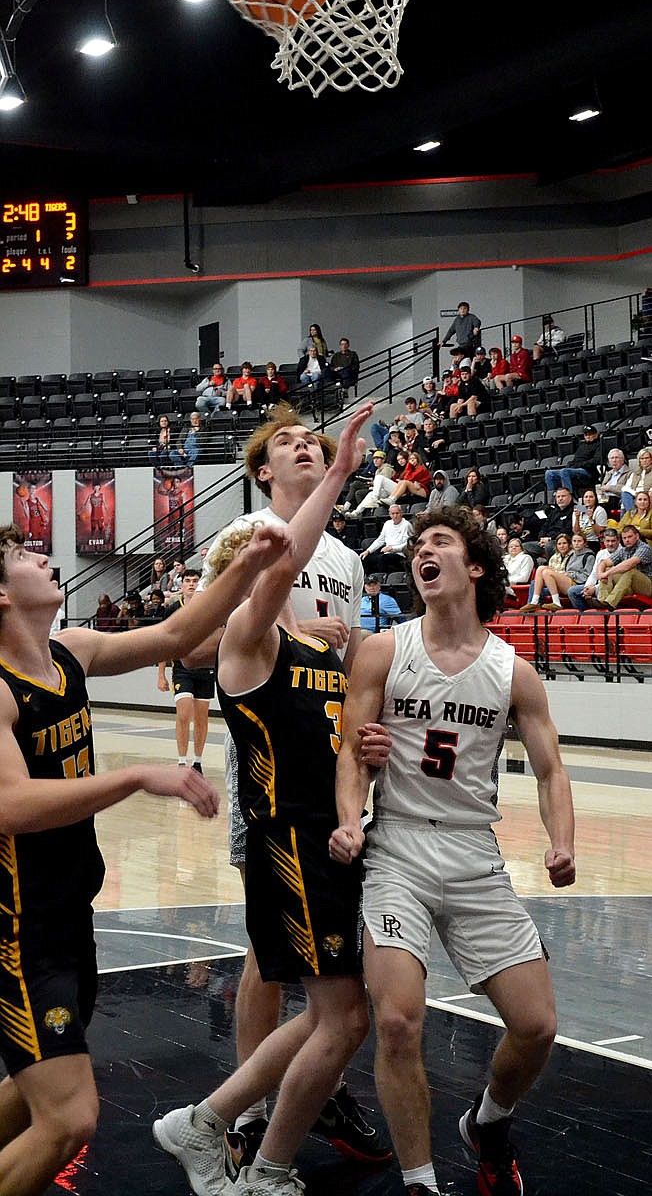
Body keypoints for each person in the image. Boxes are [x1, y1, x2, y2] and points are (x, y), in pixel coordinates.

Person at [0, 516, 287, 1196]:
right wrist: (133, 778)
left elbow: (177, 636)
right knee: (69, 1118)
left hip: (68, 916)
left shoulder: (68, 650)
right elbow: (9, 805)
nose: (44, 559)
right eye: (24, 556)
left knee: (31, 1087)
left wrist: (244, 566)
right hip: (17, 931)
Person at [153, 404, 377, 1196]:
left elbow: (342, 673)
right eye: (285, 441)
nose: (303, 446)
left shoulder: (347, 559)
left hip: (332, 770)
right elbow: (205, 641)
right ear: (260, 472)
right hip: (270, 776)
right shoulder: (245, 539)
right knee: (273, 955)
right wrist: (293, 631)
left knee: (327, 982)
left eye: (311, 440)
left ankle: (275, 1103)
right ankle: (246, 1122)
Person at [331, 505, 575, 1196]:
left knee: (537, 1026)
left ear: (474, 567)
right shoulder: (384, 649)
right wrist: (351, 818)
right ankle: (420, 1182)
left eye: (440, 541)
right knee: (400, 1020)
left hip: (474, 851)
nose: (421, 552)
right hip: (398, 847)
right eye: (416, 546)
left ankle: (489, 1123)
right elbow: (352, 749)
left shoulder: (512, 672)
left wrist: (563, 844)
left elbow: (553, 769)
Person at [158, 570, 216, 772]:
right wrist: (161, 674)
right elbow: (164, 644)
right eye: (188, 581)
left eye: (195, 581)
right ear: (181, 586)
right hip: (182, 669)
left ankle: (197, 762)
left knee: (202, 717)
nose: (191, 584)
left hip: (206, 668)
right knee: (184, 712)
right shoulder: (173, 609)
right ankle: (182, 761)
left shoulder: (209, 609)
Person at [521, 531, 594, 613]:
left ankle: (556, 603)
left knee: (546, 572)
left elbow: (586, 577)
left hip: (577, 583)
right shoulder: (572, 556)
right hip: (566, 581)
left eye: (579, 541)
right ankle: (534, 602)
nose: (576, 543)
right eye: (574, 541)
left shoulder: (589, 556)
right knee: (540, 569)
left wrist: (569, 574)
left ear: (585, 543)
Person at [596, 523, 652, 610]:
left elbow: (629, 564)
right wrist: (601, 574)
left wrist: (606, 573)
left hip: (648, 587)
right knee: (607, 569)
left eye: (630, 537)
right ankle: (602, 601)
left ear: (637, 536)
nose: (627, 540)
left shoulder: (644, 548)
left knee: (630, 571)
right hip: (629, 584)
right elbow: (604, 563)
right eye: (624, 538)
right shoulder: (623, 550)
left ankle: (610, 602)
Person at [567, 527, 621, 612]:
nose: (610, 544)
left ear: (618, 540)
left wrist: (594, 588)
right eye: (608, 541)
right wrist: (587, 587)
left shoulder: (623, 552)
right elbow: (594, 574)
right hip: (598, 585)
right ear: (603, 541)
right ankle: (585, 616)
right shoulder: (601, 553)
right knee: (572, 591)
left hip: (613, 586)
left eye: (613, 541)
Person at [544, 426, 601, 499]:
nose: (588, 436)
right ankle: (554, 497)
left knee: (564, 471)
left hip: (588, 471)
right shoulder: (582, 445)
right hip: (577, 468)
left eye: (590, 434)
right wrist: (571, 463)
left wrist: (578, 465)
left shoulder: (599, 445)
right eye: (586, 434)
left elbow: (595, 461)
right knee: (549, 473)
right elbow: (577, 459)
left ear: (595, 434)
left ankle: (568, 497)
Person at [360, 504, 411, 574]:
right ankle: (369, 581)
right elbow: (380, 540)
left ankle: (382, 579)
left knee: (383, 559)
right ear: (389, 514)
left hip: (400, 554)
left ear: (401, 513)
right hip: (387, 553)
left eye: (397, 513)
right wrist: (368, 551)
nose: (395, 516)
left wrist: (392, 548)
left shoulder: (406, 525)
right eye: (393, 514)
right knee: (365, 558)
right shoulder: (387, 524)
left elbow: (408, 544)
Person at [594, 447, 629, 511]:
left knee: (599, 505)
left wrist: (610, 488)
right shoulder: (609, 473)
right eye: (612, 458)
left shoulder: (629, 473)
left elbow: (627, 489)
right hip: (604, 498)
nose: (614, 460)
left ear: (622, 459)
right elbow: (602, 487)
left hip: (616, 499)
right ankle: (581, 519)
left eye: (616, 457)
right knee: (585, 502)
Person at [619, 446, 652, 512]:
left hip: (646, 494)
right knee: (624, 494)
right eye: (642, 458)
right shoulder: (635, 473)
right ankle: (631, 514)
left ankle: (632, 516)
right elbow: (625, 488)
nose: (644, 460)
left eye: (647, 458)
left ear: (651, 459)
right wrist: (635, 494)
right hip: (634, 495)